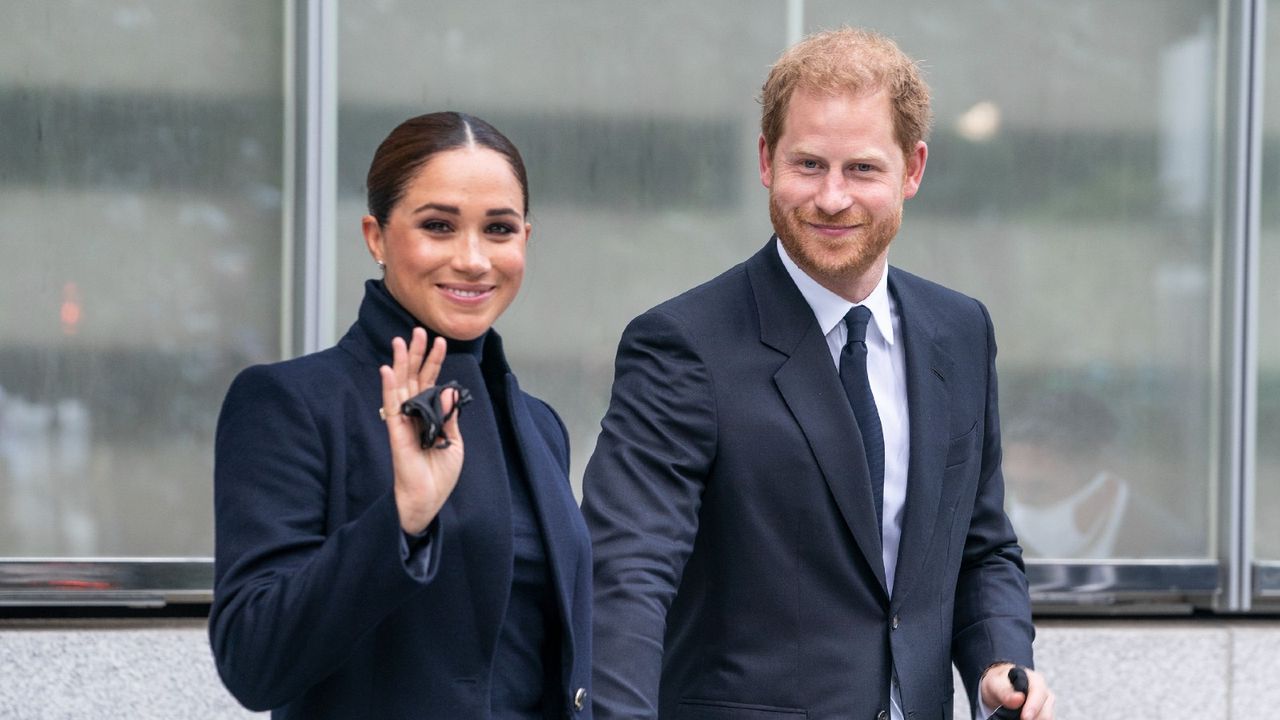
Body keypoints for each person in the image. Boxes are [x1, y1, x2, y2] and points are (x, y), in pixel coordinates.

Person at [583, 28, 1054, 720]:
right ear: (766, 160)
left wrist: (999, 661)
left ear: (913, 170)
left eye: (862, 169)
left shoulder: (960, 331)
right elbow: (625, 576)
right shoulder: (681, 345)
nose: (832, 199)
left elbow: (981, 546)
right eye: (808, 164)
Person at [209, 112, 592, 719]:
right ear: (376, 236)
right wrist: (404, 519)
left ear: (525, 239)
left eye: (499, 229)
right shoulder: (290, 405)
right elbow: (253, 661)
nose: (473, 259)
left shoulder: (539, 425)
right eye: (438, 226)